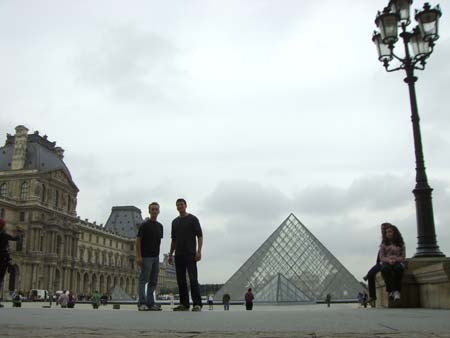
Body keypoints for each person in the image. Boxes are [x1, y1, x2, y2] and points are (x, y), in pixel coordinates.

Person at [168, 198, 203, 312]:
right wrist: (170, 254)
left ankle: (197, 304)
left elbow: (200, 236)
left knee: (193, 279)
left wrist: (199, 251)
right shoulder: (174, 222)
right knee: (181, 280)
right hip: (178, 255)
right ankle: (184, 304)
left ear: (185, 205)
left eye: (181, 205)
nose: (179, 207)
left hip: (190, 253)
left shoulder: (193, 219)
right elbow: (173, 240)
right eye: (178, 205)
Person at [136, 202, 163, 311]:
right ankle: (142, 303)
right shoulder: (144, 225)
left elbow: (157, 242)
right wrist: (138, 256)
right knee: (143, 280)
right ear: (149, 211)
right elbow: (138, 241)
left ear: (159, 211)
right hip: (146, 257)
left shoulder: (160, 226)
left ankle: (151, 303)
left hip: (156, 257)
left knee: (153, 281)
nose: (154, 211)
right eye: (152, 209)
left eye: (156, 209)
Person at [363, 222, 389, 307]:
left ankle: (372, 296)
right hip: (380, 262)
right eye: (381, 229)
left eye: (384, 229)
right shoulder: (384, 239)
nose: (382, 230)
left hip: (385, 262)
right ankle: (372, 296)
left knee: (371, 273)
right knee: (371, 273)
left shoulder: (389, 239)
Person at [380, 224, 406, 301]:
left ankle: (393, 291)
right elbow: (381, 257)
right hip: (387, 262)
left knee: (398, 269)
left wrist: (395, 259)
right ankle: (394, 291)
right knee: (385, 269)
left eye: (390, 231)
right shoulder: (383, 244)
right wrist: (389, 260)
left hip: (397, 262)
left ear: (395, 232)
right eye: (387, 232)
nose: (388, 233)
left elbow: (403, 256)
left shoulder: (401, 244)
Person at [0, 218, 22, 308]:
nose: (6, 227)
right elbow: (15, 238)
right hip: (2, 258)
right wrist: (19, 231)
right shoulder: (3, 235)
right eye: (4, 225)